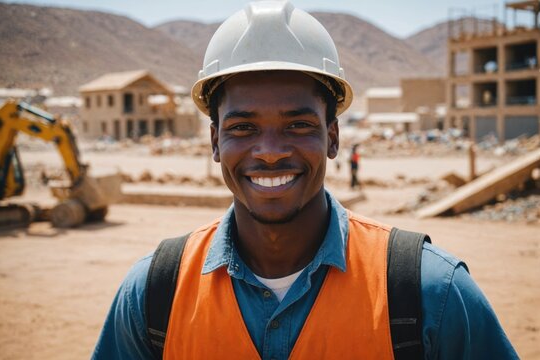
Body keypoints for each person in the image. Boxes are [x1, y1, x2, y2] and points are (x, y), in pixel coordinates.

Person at [92, 1, 518, 359]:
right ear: (215, 142)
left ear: (332, 137)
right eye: (243, 127)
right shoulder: (154, 294)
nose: (271, 150)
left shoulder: (429, 293)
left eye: (297, 125)